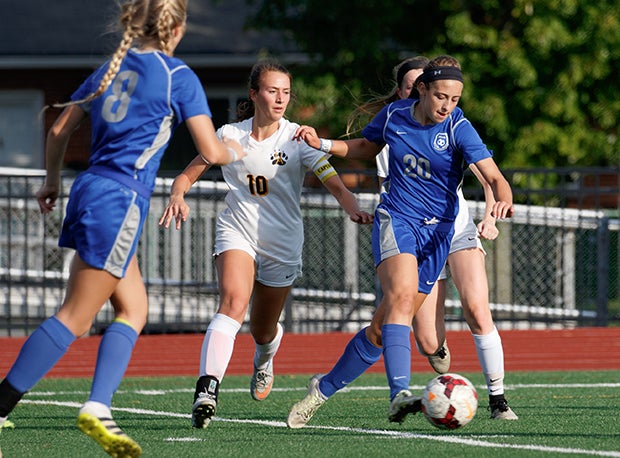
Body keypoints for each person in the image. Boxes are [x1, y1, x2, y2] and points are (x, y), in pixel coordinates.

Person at [0, 1, 246, 456]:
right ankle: (36, 407)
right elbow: (210, 148)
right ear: (176, 28)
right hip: (120, 199)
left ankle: (96, 404)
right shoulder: (177, 75)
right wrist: (236, 151)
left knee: (134, 308)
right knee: (76, 316)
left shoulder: (111, 68)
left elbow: (58, 132)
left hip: (88, 187)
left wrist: (52, 181)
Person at [287, 55, 514, 429]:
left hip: (439, 233)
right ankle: (399, 395)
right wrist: (323, 142)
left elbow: (493, 175)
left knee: (382, 329)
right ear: (422, 90)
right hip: (398, 219)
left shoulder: (459, 127)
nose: (447, 105)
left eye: (455, 99)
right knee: (401, 298)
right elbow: (364, 147)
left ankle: (322, 390)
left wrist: (503, 197)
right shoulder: (395, 115)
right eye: (441, 96)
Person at [158, 59, 373, 429]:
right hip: (237, 232)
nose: (280, 99)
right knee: (233, 302)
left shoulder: (297, 137)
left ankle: (264, 358)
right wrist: (178, 193)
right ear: (254, 93)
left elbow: (333, 182)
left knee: (262, 329)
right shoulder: (229, 135)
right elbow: (189, 173)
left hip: (283, 242)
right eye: (272, 91)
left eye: (286, 92)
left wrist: (353, 208)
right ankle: (207, 390)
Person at [373, 57, 518, 420]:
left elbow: (487, 175)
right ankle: (437, 351)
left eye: (448, 97)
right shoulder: (390, 129)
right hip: (417, 236)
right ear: (409, 92)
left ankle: (498, 400)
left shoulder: (452, 124)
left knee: (476, 307)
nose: (440, 102)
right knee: (427, 341)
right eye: (408, 86)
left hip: (455, 228)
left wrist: (491, 215)